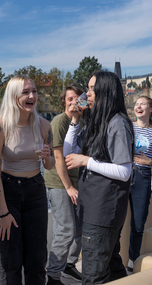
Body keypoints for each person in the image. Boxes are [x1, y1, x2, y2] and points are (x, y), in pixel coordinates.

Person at [63, 71, 134, 284]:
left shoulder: (117, 123)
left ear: (106, 91)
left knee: (93, 275)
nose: (87, 94)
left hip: (103, 210)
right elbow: (68, 152)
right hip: (93, 207)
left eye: (92, 89)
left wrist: (86, 161)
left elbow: (124, 172)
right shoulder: (97, 122)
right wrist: (75, 121)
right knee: (112, 268)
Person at [0, 76, 55, 285]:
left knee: (37, 258)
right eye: (25, 92)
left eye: (34, 91)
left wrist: (46, 156)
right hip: (8, 191)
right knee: (10, 261)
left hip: (35, 191)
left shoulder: (44, 126)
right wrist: (4, 213)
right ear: (13, 95)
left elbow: (50, 165)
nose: (32, 96)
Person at [44, 84, 84, 285]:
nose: (73, 102)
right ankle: (53, 275)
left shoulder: (82, 121)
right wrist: (68, 187)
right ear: (64, 102)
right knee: (66, 229)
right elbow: (58, 157)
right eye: (70, 99)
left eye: (77, 98)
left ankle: (68, 264)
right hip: (59, 183)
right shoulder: (59, 122)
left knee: (80, 228)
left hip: (78, 181)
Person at [128, 96, 152, 268]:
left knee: (138, 223)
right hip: (123, 175)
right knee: (115, 219)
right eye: (136, 104)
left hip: (143, 177)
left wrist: (150, 162)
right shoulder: (127, 126)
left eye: (142, 104)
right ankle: (113, 260)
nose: (138, 106)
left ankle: (132, 261)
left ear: (151, 109)